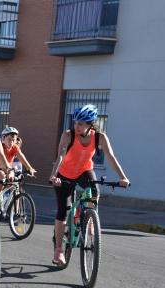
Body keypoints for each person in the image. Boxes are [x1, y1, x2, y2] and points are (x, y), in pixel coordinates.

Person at [49, 104, 129, 265]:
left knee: (94, 192)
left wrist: (123, 177)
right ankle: (58, 250)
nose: (76, 126)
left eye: (81, 123)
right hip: (64, 174)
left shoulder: (100, 137)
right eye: (76, 122)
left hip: (84, 172)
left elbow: (111, 158)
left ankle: (89, 220)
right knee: (63, 211)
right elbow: (61, 156)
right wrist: (53, 175)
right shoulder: (68, 135)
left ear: (90, 124)